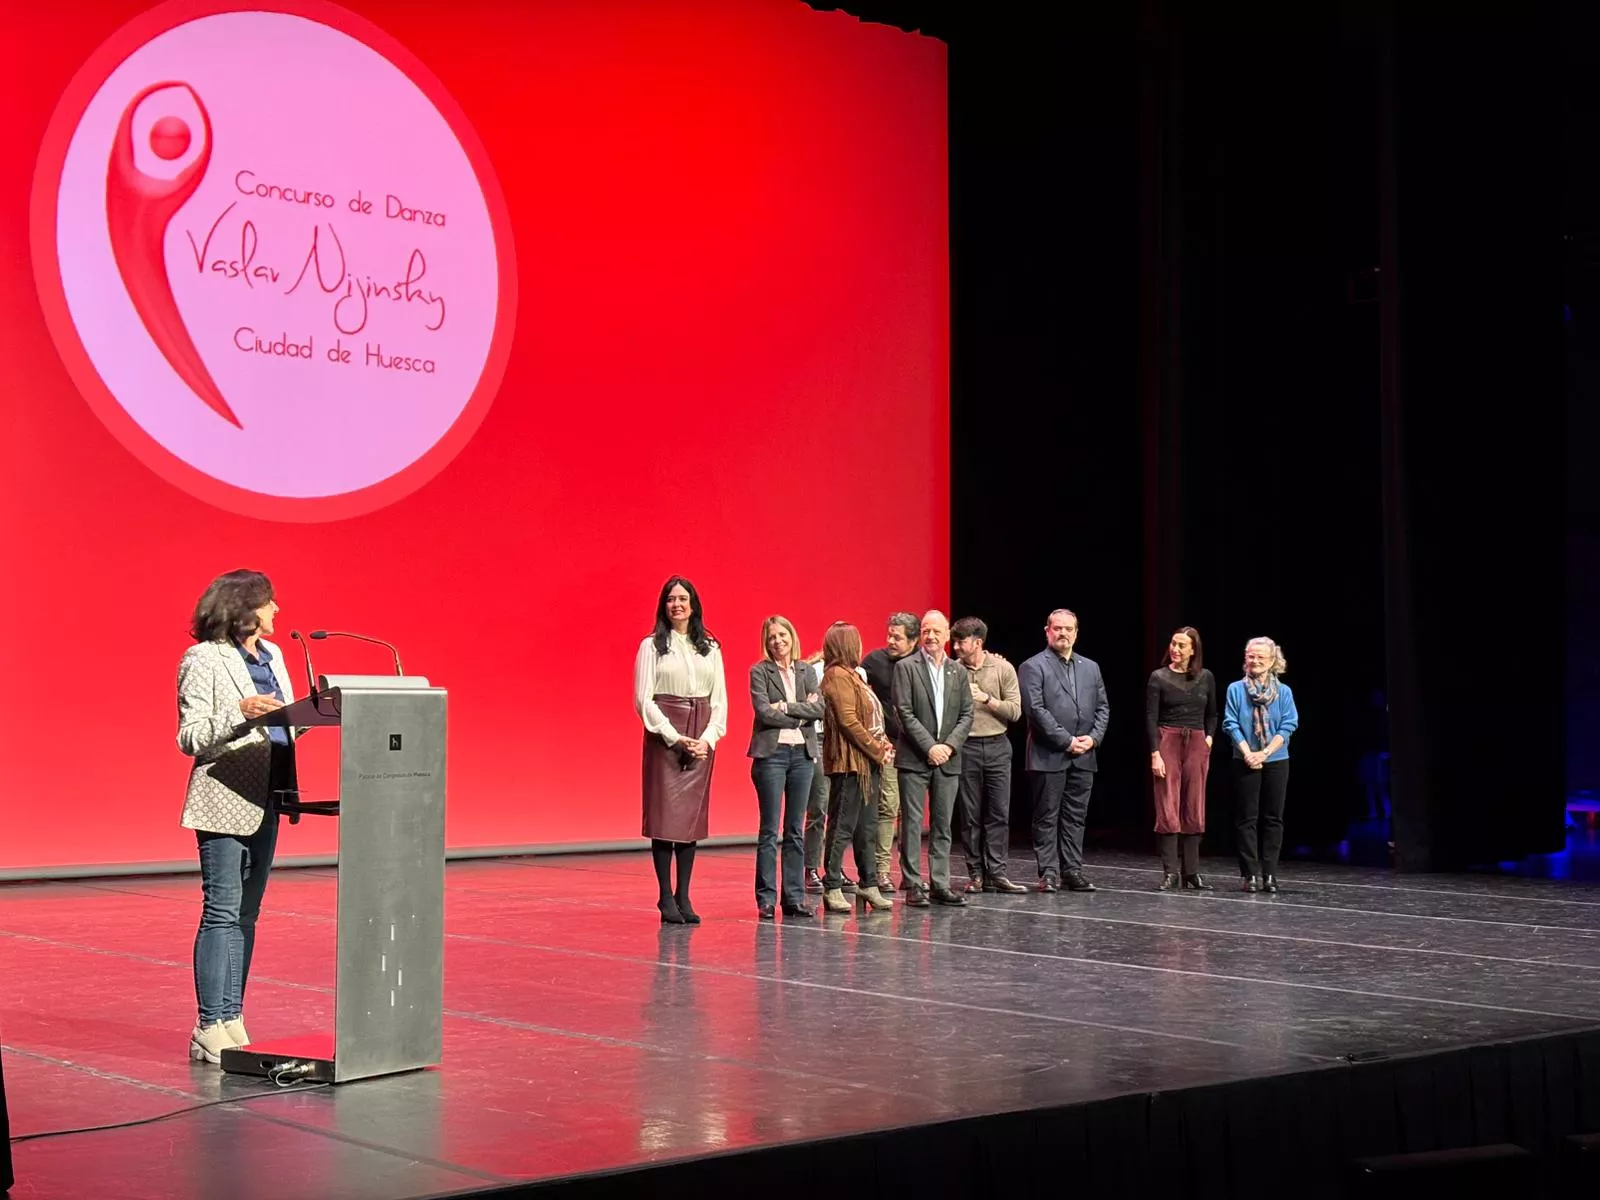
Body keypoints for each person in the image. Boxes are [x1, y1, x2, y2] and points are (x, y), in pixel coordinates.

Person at [177, 569, 300, 1064]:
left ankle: (233, 1016)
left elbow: (286, 721)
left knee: (248, 915)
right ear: (246, 607)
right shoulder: (203, 658)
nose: (277, 612)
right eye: (270, 603)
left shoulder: (275, 657)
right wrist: (241, 713)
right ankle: (209, 1024)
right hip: (224, 794)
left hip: (270, 793)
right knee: (223, 911)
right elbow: (189, 737)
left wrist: (311, 715)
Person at [634, 576, 728, 924]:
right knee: (665, 819)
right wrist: (674, 736)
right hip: (666, 736)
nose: (677, 605)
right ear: (664, 605)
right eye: (671, 599)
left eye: (683, 599)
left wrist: (707, 738)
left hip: (701, 737)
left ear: (693, 604)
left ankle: (684, 895)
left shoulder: (710, 647)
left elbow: (719, 700)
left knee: (690, 821)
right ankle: (664, 896)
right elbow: (644, 700)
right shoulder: (652, 646)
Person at [1018, 609, 1110, 892]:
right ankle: (1048, 873)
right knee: (1047, 816)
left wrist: (1092, 739)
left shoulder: (1090, 667)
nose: (1063, 633)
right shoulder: (1033, 666)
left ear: (1076, 633)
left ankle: (1072, 870)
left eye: (1068, 629)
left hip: (1084, 755)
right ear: (1047, 631)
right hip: (1049, 755)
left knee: (1075, 817)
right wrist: (1068, 740)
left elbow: (1103, 707)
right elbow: (1036, 711)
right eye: (1057, 628)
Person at [891, 610, 974, 907]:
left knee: (942, 824)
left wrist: (949, 747)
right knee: (912, 823)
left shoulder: (958, 671)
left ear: (947, 636)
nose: (931, 636)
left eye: (936, 631)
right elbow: (904, 713)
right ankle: (913, 884)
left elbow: (967, 714)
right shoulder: (906, 667)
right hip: (915, 758)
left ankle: (940, 883)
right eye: (926, 630)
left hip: (948, 759)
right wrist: (930, 747)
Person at [747, 616, 822, 919]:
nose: (777, 641)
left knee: (795, 830)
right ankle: (766, 899)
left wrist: (788, 708)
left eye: (782, 635)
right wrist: (802, 714)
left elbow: (820, 709)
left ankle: (793, 897)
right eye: (771, 637)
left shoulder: (806, 671)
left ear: (792, 636)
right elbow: (764, 712)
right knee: (769, 830)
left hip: (802, 755)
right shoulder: (759, 671)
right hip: (772, 755)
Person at [817, 623, 895, 914]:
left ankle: (868, 883)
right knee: (842, 828)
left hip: (867, 764)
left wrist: (883, 743)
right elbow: (849, 721)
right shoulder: (837, 676)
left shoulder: (854, 676)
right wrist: (876, 750)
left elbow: (872, 717)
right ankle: (833, 885)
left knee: (867, 827)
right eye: (856, 641)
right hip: (850, 764)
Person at [950, 617, 1026, 893]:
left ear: (978, 642)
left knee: (998, 812)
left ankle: (997, 872)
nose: (956, 646)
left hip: (997, 745)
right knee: (970, 815)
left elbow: (1015, 711)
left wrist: (985, 698)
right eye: (955, 641)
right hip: (966, 747)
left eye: (962, 641)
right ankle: (976, 874)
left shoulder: (1002, 668)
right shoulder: (952, 670)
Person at [1223, 636, 1299, 894]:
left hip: (1276, 759)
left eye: (1260, 657)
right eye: (1251, 656)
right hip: (1244, 758)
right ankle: (1250, 875)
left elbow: (1289, 724)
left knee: (1273, 818)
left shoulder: (1284, 692)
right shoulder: (1235, 689)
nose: (1255, 661)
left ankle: (1270, 874)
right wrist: (1248, 753)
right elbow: (1230, 723)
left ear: (1272, 661)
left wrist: (1264, 753)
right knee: (1247, 818)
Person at [1146, 626, 1218, 891]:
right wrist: (1156, 752)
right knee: (1168, 802)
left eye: (1181, 645)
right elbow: (1151, 718)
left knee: (1194, 803)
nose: (1175, 649)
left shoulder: (1206, 677)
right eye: (1173, 644)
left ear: (1193, 650)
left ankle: (1192, 873)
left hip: (1197, 741)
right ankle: (1171, 873)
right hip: (1168, 740)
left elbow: (1212, 714)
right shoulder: (1159, 677)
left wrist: (1208, 738)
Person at [860, 612, 919, 891]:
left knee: (913, 811)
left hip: (920, 747)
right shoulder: (875, 661)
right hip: (890, 748)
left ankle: (912, 874)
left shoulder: (922, 664)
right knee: (887, 806)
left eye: (897, 637)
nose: (890, 641)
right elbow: (856, 689)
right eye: (889, 635)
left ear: (914, 640)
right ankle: (882, 871)